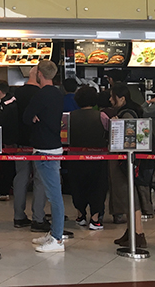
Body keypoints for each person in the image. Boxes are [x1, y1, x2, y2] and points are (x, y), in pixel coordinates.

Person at [24, 60, 66, 253]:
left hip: (44, 149)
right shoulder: (58, 94)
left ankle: (57, 238)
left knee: (54, 195)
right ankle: (54, 232)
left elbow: (26, 117)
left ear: (39, 74)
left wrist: (34, 117)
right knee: (52, 193)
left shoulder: (40, 95)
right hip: (55, 146)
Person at [66, 85, 109, 232]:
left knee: (77, 186)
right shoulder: (101, 116)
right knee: (97, 187)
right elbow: (110, 132)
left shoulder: (69, 116)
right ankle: (95, 219)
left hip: (75, 158)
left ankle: (80, 216)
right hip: (97, 157)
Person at [111, 83, 148, 248]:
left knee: (130, 195)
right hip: (130, 161)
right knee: (129, 195)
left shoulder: (125, 115)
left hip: (125, 162)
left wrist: (115, 125)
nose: (111, 100)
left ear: (122, 98)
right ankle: (131, 231)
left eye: (113, 97)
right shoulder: (136, 110)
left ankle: (138, 233)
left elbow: (126, 139)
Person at [12, 66, 48, 232]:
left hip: (20, 143)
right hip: (38, 142)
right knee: (40, 179)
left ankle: (19, 216)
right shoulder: (41, 94)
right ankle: (38, 218)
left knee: (21, 177)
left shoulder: (16, 94)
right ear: (39, 75)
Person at [0, 80, 17, 202]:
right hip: (11, 141)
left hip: (4, 142)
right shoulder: (15, 102)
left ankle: (3, 190)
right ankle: (6, 188)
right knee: (9, 167)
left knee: (4, 167)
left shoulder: (2, 106)